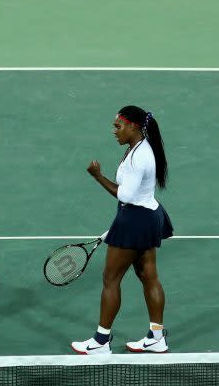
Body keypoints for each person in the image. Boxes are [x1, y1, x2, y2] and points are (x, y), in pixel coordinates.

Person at [71, 105, 173, 354]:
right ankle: (157, 337)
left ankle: (100, 341)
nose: (114, 131)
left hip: (136, 219)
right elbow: (134, 197)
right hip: (149, 216)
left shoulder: (139, 156)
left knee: (110, 278)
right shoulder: (139, 148)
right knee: (148, 276)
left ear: (133, 126)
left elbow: (125, 195)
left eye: (118, 126)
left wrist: (97, 175)